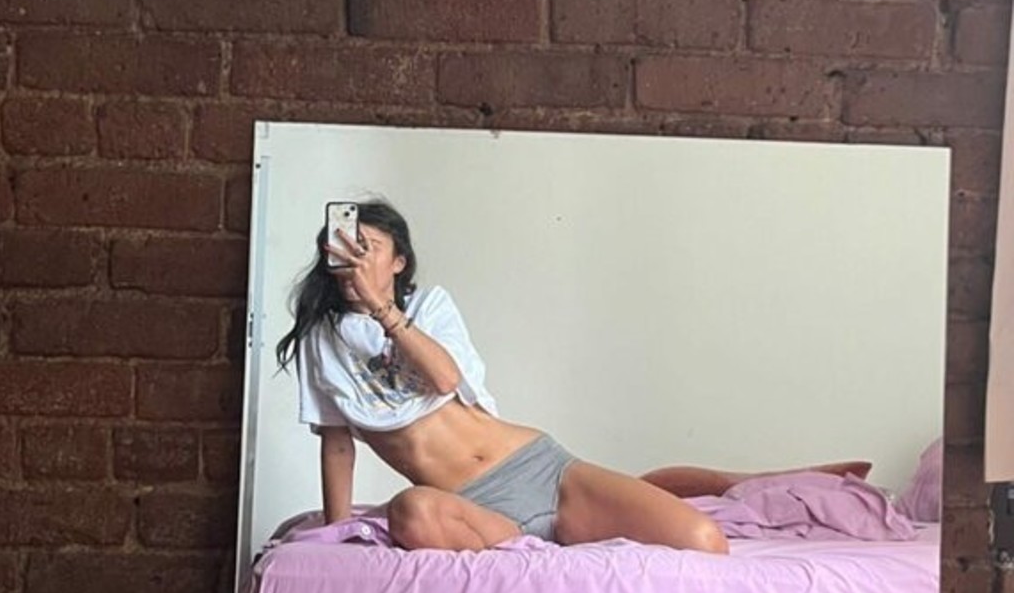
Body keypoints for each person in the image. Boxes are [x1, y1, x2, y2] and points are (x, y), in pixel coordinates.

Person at [277, 198, 736, 554]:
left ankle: (591, 517)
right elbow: (337, 444)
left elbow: (444, 379)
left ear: (399, 262)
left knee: (704, 540)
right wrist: (336, 535)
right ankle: (527, 548)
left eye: (368, 247)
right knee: (411, 512)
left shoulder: (429, 306)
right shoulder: (322, 339)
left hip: (540, 470)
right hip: (470, 505)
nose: (354, 258)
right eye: (344, 246)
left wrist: (381, 307)